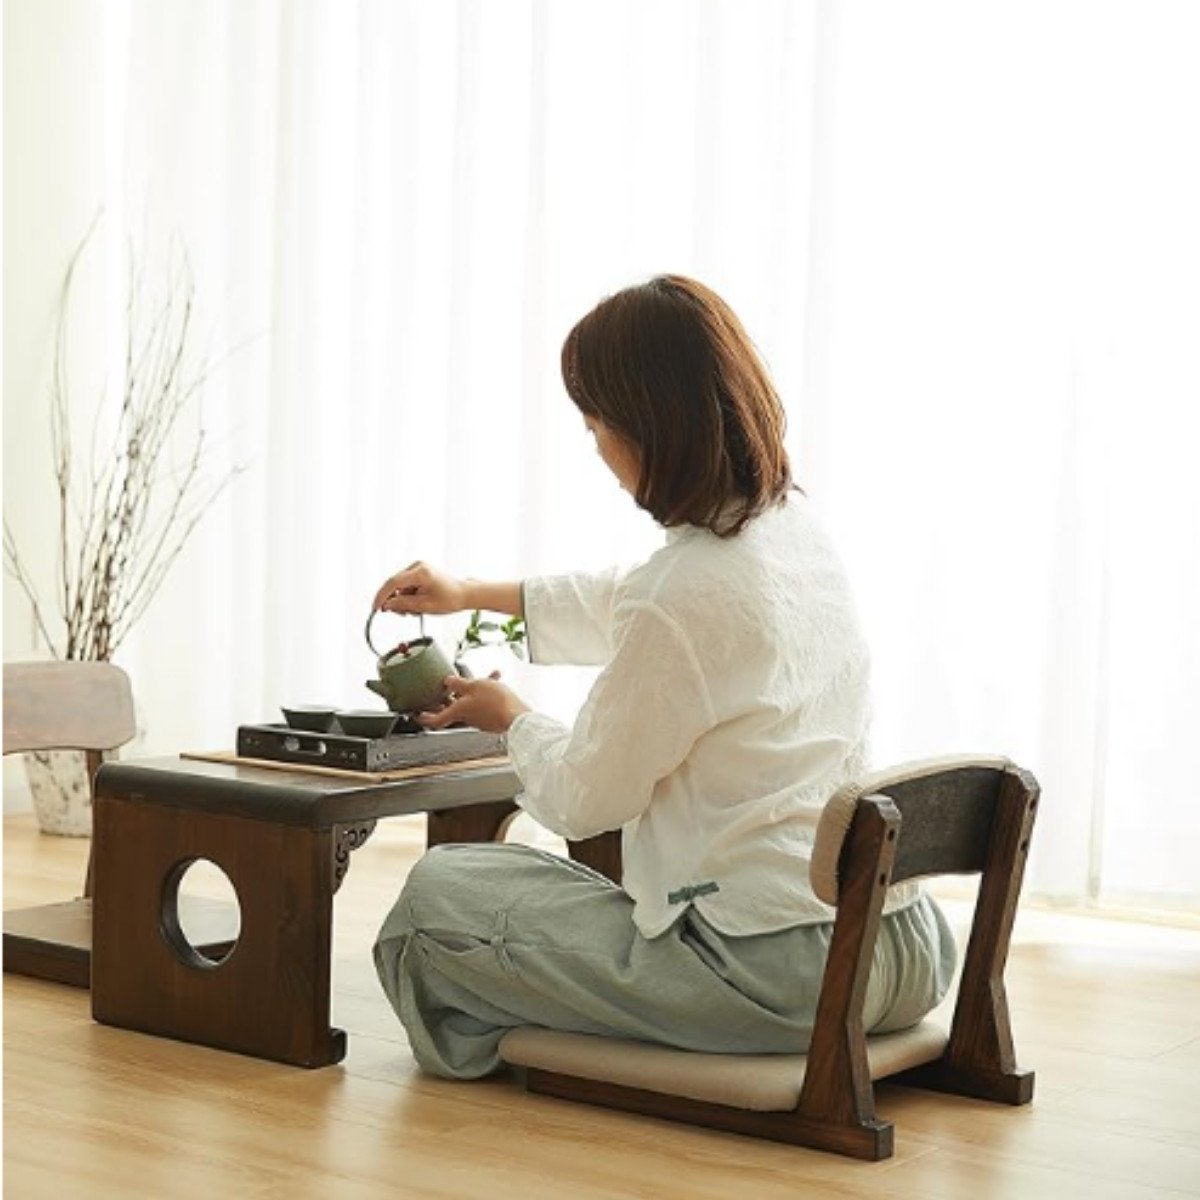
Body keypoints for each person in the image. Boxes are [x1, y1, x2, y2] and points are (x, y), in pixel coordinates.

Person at [371, 275, 955, 1080]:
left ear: (649, 427)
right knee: (525, 884)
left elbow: (584, 798)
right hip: (902, 948)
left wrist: (510, 718)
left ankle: (533, 1050)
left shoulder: (682, 593)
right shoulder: (792, 535)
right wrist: (471, 592)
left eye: (596, 426)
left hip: (774, 977)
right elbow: (637, 602)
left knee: (435, 900)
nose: (598, 450)